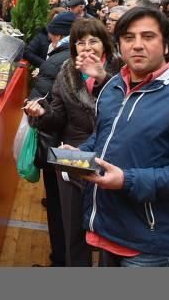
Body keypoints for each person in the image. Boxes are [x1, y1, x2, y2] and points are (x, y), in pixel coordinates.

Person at [76, 7, 169, 267]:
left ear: (166, 45)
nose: (138, 45)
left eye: (148, 36)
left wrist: (127, 180)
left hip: (152, 243)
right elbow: (103, 137)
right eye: (129, 38)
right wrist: (78, 156)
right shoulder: (114, 86)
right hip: (107, 228)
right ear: (119, 45)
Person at [25, 18, 119, 267]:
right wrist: (42, 113)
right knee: (72, 228)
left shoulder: (122, 69)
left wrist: (102, 79)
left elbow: (127, 111)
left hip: (112, 153)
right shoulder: (67, 71)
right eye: (80, 42)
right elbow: (58, 117)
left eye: (93, 41)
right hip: (72, 153)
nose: (87, 47)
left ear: (105, 44)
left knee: (109, 230)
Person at [22, 11, 77, 267]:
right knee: (68, 210)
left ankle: (60, 261)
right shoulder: (71, 60)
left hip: (61, 146)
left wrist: (35, 109)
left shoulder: (57, 61)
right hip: (72, 146)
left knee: (61, 210)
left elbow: (38, 104)